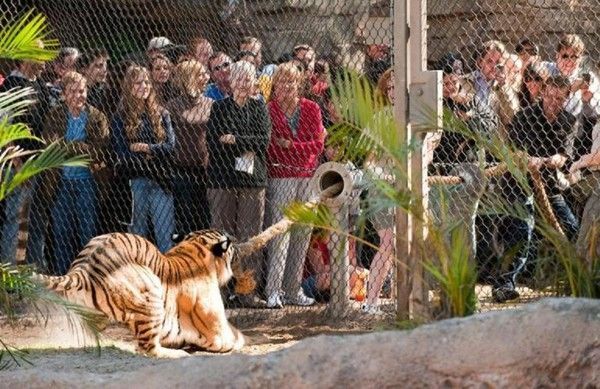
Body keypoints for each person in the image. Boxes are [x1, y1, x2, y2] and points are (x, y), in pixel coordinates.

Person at [497, 75, 580, 302]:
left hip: (549, 183)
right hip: (519, 183)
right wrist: (528, 159)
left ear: (566, 98)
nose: (553, 102)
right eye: (550, 96)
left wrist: (556, 158)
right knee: (523, 228)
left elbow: (566, 155)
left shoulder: (569, 121)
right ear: (543, 93)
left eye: (559, 98)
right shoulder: (524, 117)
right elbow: (513, 149)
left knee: (571, 227)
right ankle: (506, 283)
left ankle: (569, 280)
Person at [206, 60, 271, 307]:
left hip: (252, 182)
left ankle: (247, 291)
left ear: (254, 82)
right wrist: (246, 144)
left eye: (248, 78)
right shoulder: (219, 108)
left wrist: (234, 140)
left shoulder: (259, 109)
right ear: (230, 82)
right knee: (221, 237)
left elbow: (263, 141)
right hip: (222, 180)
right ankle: (219, 293)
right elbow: (214, 143)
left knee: (250, 237)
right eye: (239, 78)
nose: (244, 83)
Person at [264, 62, 326, 308]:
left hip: (308, 177)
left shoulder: (311, 108)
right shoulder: (269, 110)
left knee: (302, 234)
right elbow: (270, 148)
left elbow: (318, 145)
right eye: (281, 81)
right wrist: (298, 148)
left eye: (291, 81)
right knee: (281, 234)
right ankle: (274, 290)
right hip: (281, 177)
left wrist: (290, 146)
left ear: (299, 84)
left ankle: (293, 290)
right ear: (275, 85)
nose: (286, 86)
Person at [43, 71, 109, 274]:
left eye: (82, 90)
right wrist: (81, 146)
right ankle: (64, 278)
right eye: (73, 91)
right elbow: (49, 145)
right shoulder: (54, 115)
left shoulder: (97, 117)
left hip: (87, 182)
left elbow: (98, 151)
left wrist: (67, 146)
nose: (79, 95)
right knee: (61, 234)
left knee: (86, 235)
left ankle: (86, 277)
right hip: (60, 182)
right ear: (64, 94)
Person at [112, 65, 176, 253]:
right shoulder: (120, 117)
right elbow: (122, 152)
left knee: (165, 235)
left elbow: (171, 146)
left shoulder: (162, 114)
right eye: (138, 82)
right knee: (137, 237)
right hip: (135, 181)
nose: (144, 86)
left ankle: (167, 277)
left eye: (147, 82)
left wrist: (147, 148)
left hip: (160, 180)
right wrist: (154, 152)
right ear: (129, 87)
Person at [166, 60, 213, 235]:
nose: (206, 77)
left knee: (204, 219)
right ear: (189, 78)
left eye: (206, 73)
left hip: (205, 170)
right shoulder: (173, 106)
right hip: (182, 170)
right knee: (184, 219)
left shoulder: (210, 104)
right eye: (201, 74)